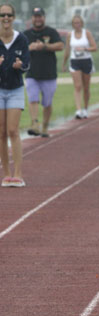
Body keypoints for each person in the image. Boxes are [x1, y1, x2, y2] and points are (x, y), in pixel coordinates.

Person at [0, 3, 30, 188]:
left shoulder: (22, 39)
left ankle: (18, 174)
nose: (5, 18)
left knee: (12, 130)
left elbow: (27, 64)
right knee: (1, 132)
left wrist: (20, 66)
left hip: (15, 89)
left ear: (13, 17)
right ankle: (6, 174)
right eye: (2, 15)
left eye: (9, 15)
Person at [24, 7, 64, 138]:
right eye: (35, 16)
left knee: (47, 103)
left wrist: (44, 46)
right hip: (31, 74)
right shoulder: (26, 34)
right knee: (33, 98)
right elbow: (18, 50)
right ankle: (35, 124)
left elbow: (60, 46)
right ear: (32, 19)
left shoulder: (51, 32)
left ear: (44, 18)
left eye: (40, 16)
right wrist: (29, 48)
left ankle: (45, 126)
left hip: (49, 74)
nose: (38, 19)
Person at [62, 15, 97, 119]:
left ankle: (85, 109)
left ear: (82, 23)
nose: (77, 25)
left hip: (86, 60)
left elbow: (95, 47)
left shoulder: (87, 33)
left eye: (78, 23)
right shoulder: (70, 35)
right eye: (75, 23)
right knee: (77, 86)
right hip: (74, 61)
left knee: (86, 87)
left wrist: (85, 49)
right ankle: (78, 110)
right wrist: (64, 63)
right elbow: (67, 49)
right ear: (72, 24)